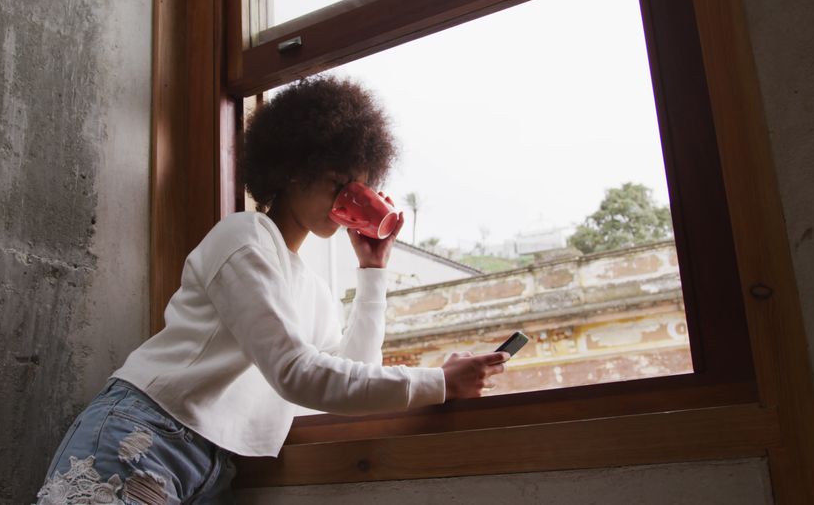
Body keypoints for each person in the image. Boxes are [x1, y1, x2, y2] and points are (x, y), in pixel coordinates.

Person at [34, 75, 511, 505]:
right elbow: (295, 372)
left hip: (213, 466)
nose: (348, 202)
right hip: (146, 430)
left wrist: (372, 273)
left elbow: (351, 377)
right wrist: (438, 383)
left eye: (360, 189)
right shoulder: (244, 236)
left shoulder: (313, 290)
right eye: (337, 184)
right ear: (292, 170)